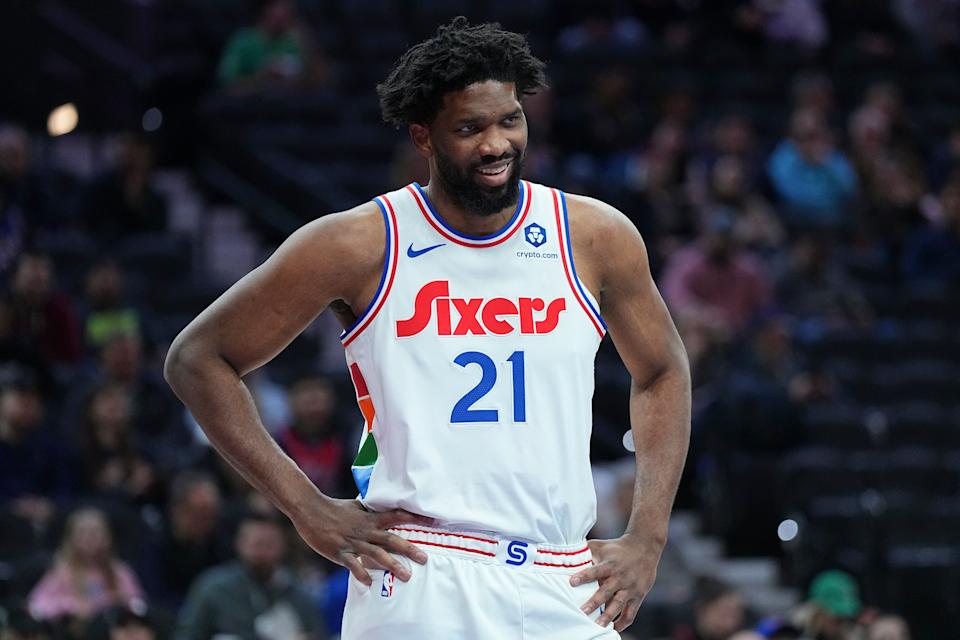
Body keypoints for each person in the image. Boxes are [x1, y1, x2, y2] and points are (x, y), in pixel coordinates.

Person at [165, 18, 691, 639]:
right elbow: (197, 358)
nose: (496, 144)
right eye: (470, 128)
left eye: (509, 120)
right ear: (424, 135)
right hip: (422, 570)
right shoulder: (359, 243)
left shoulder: (595, 235)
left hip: (562, 574)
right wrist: (304, 508)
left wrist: (647, 536)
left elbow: (662, 371)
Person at [174, 511, 324, 640]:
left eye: (270, 545)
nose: (263, 553)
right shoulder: (213, 588)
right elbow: (186, 635)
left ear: (283, 545)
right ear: (239, 544)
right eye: (257, 544)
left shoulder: (299, 595)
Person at [27, 507, 144, 625]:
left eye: (96, 532)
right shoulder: (62, 572)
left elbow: (138, 605)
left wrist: (114, 605)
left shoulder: (119, 571)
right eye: (84, 533)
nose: (91, 538)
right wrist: (71, 606)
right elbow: (36, 605)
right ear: (72, 539)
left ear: (108, 537)